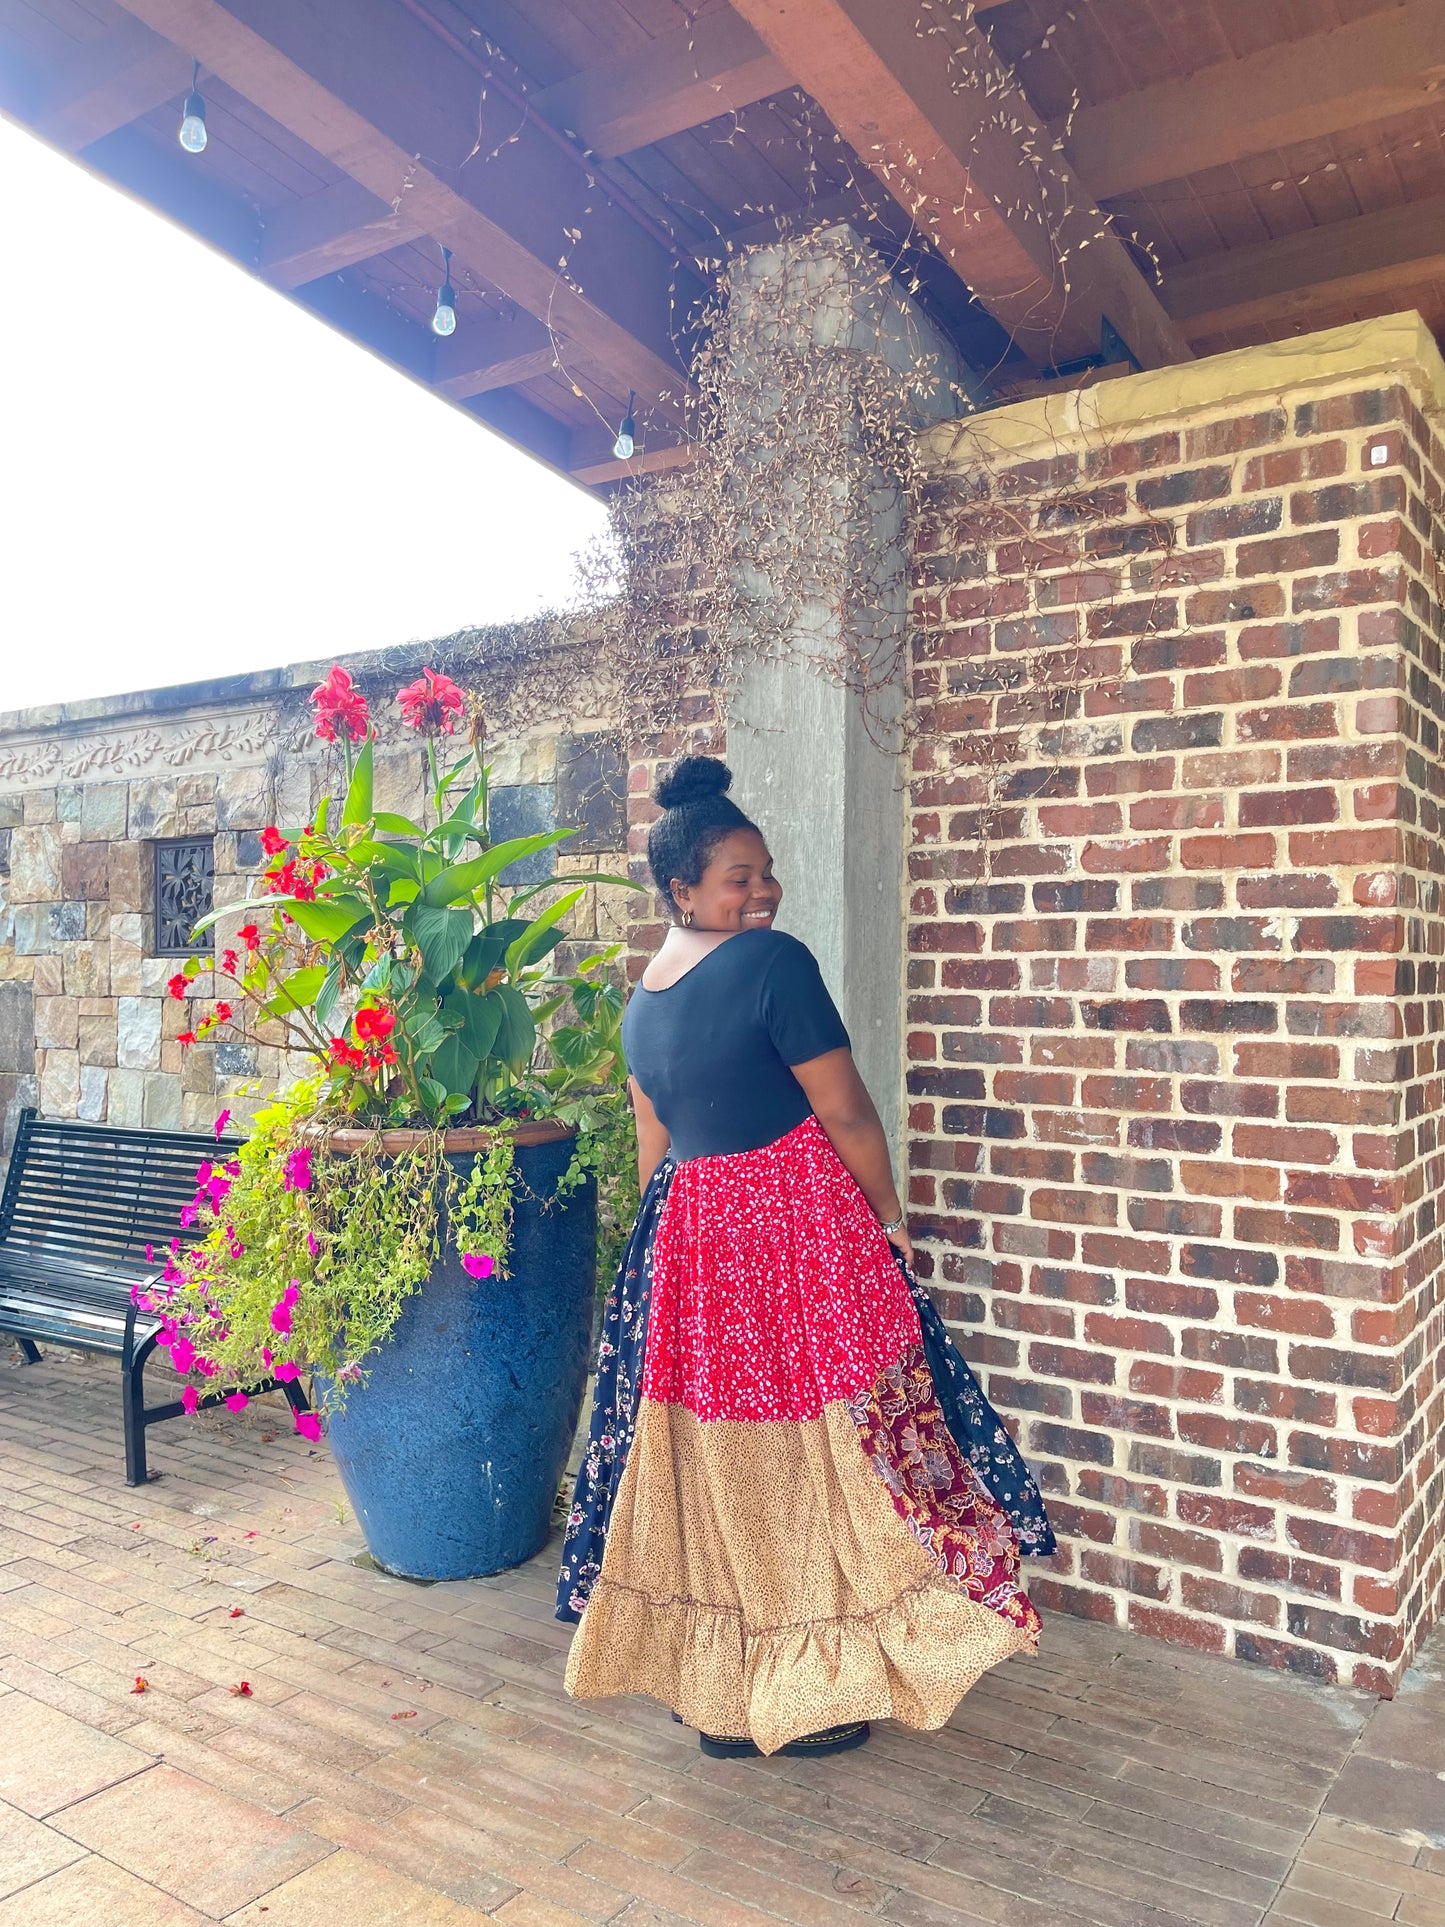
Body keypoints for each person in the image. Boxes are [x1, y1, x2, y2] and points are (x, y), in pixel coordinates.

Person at [557, 755, 1053, 1759]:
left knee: (719, 1460)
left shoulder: (640, 1002)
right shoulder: (772, 965)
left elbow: (655, 1145)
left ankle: (727, 1694)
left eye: (766, 872)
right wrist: (888, 1213)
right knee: (836, 1441)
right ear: (682, 889)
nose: (763, 891)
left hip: (692, 1241)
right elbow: (845, 1110)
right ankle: (815, 1685)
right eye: (738, 877)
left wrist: (660, 1262)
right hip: (794, 1225)